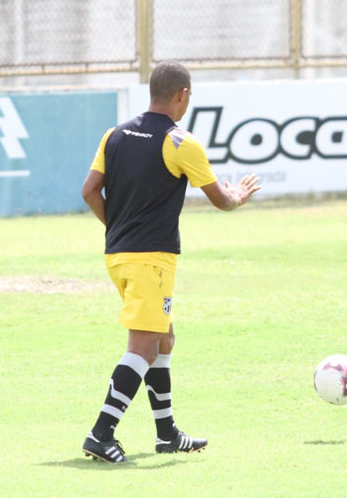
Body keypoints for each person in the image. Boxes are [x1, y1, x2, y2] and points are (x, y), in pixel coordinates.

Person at [80, 60, 261, 462]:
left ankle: (167, 434)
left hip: (119, 255)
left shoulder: (116, 134)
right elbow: (220, 200)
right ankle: (100, 433)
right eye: (189, 97)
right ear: (181, 95)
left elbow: (90, 190)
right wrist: (238, 197)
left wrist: (118, 226)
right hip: (151, 260)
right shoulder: (180, 142)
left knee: (164, 338)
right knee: (143, 346)